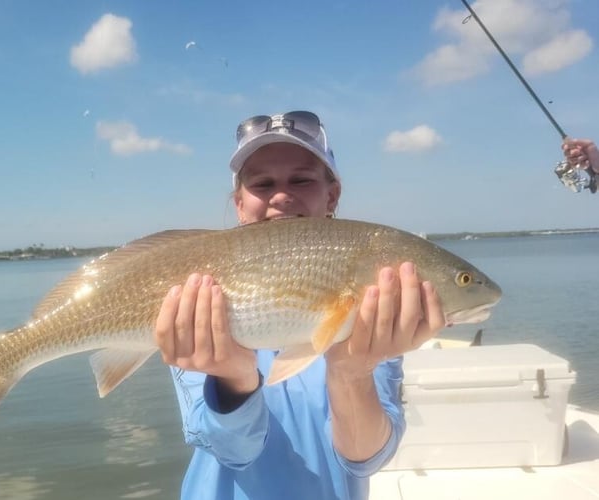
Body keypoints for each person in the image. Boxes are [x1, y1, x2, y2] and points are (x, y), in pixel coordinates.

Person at [153, 111, 446, 500]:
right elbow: (232, 452)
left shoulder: (374, 302)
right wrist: (234, 382)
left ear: (332, 195)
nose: (280, 196)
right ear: (239, 204)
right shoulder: (199, 293)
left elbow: (365, 457)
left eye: (302, 179)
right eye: (262, 184)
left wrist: (352, 371)